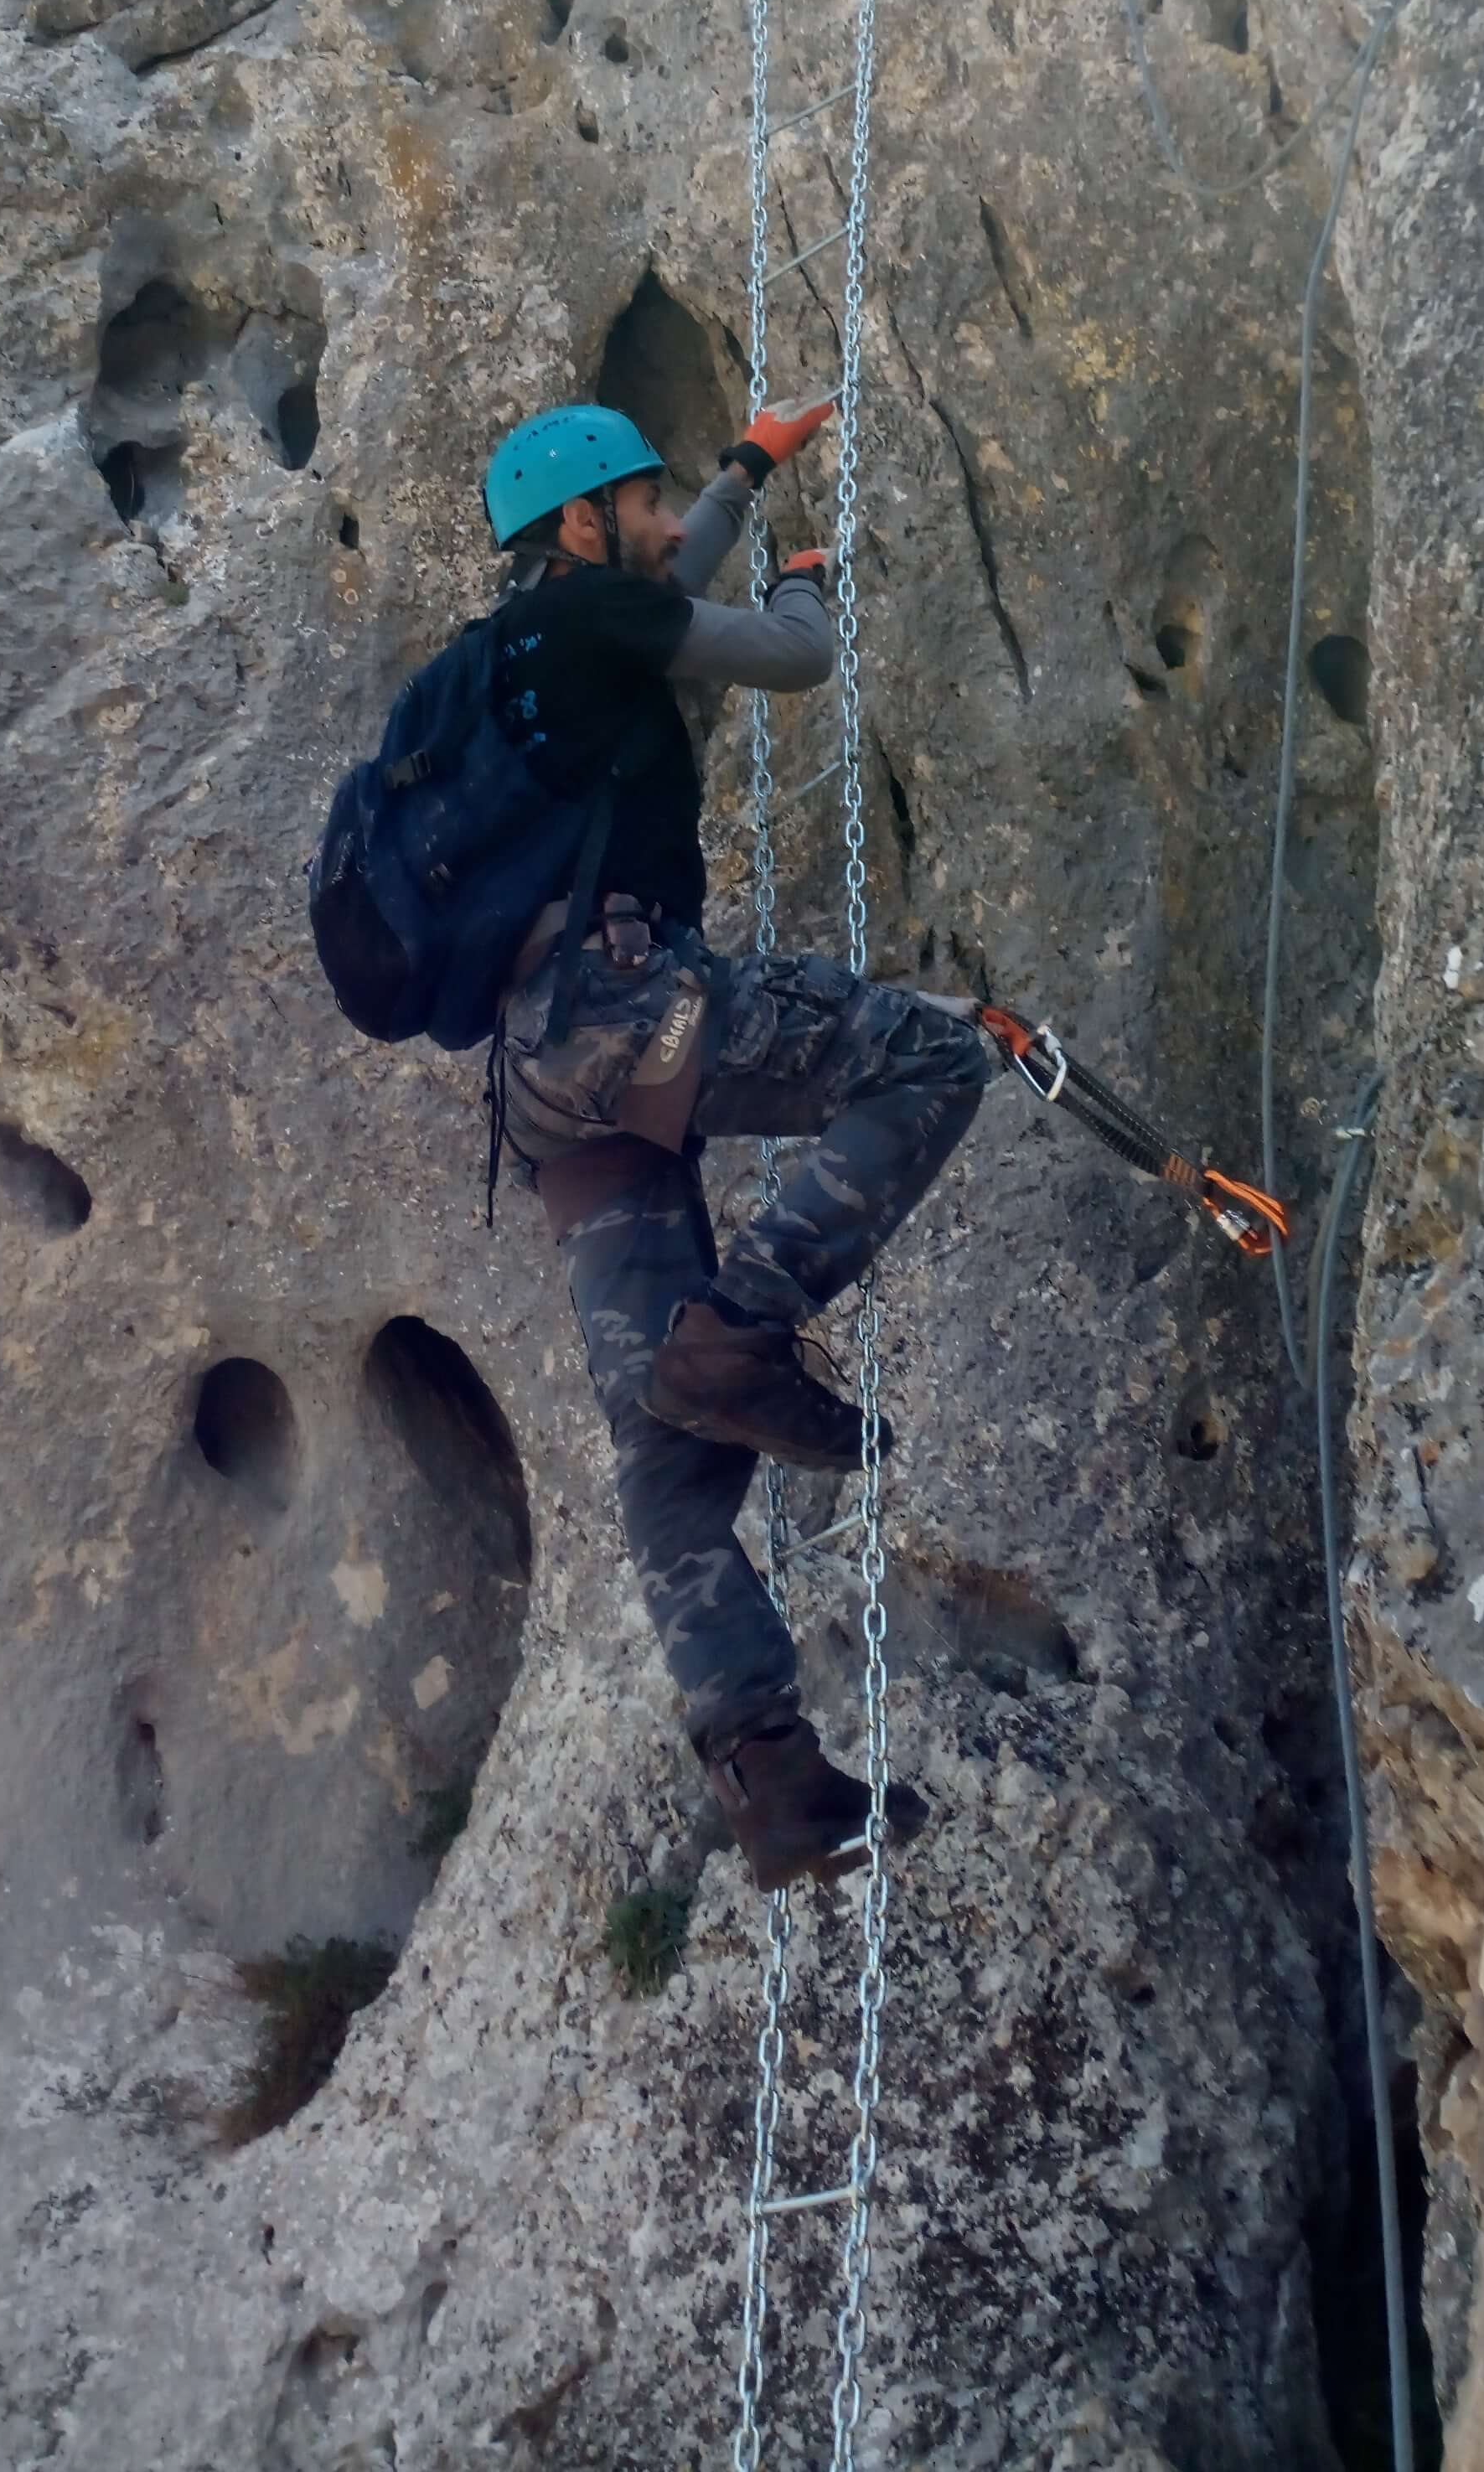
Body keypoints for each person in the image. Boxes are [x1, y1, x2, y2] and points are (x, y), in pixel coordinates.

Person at [481, 398, 995, 1890]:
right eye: (640, 502)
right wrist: (806, 583)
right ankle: (745, 1328)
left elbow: (671, 580)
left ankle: (773, 1786)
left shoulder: (510, 652)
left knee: (661, 1448)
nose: (662, 524)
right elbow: (788, 658)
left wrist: (746, 471)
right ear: (580, 525)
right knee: (932, 1055)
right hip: (629, 1010)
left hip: (541, 1088)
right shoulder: (594, 622)